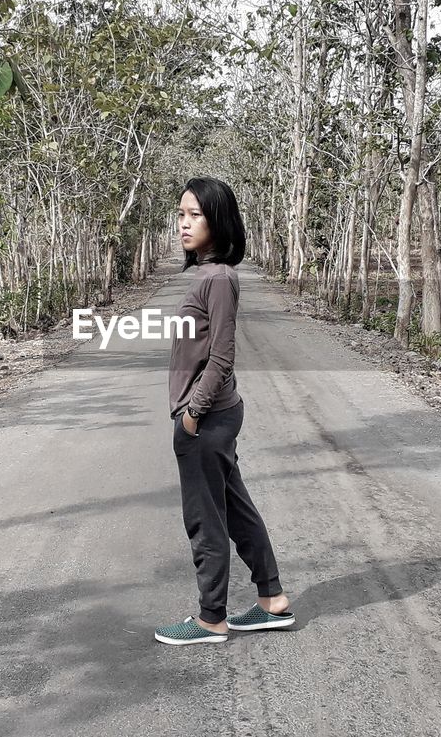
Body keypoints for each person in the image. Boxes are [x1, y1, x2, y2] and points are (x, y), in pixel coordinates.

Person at [154, 177, 295, 646]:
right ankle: (272, 600)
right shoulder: (214, 275)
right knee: (234, 509)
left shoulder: (215, 278)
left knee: (205, 518)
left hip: (207, 419)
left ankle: (211, 617)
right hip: (218, 414)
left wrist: (191, 413)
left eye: (195, 214)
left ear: (219, 220)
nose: (184, 224)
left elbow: (222, 355)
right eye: (180, 214)